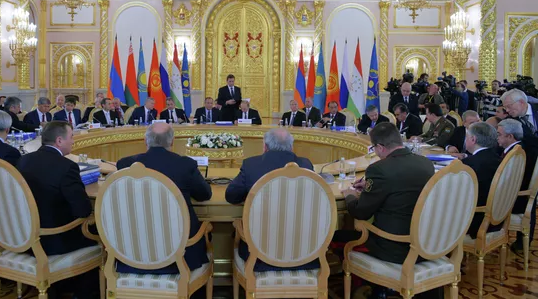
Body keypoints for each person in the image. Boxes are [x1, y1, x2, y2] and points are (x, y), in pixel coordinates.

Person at [116, 123, 212, 274]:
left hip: (133, 255)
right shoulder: (185, 165)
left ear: (145, 141)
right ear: (172, 142)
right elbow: (204, 194)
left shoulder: (125, 164)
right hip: (181, 256)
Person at [336, 122, 435, 265]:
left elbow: (360, 212)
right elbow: (401, 185)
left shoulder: (378, 169)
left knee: (336, 238)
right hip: (425, 245)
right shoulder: (426, 163)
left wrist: (350, 195)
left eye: (374, 148)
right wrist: (371, 186)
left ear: (380, 147)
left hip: (393, 247)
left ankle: (365, 277)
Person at [226, 128, 315, 271]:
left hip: (258, 256)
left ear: (265, 147)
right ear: (291, 147)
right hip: (302, 255)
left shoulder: (251, 165)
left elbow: (231, 196)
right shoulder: (306, 165)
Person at [17, 121, 94, 255]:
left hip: (24, 238)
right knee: (103, 229)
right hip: (55, 240)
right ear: (59, 141)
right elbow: (83, 210)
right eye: (71, 137)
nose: (73, 141)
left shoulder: (23, 160)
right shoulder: (67, 167)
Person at [497, 119, 538, 253]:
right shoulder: (519, 149)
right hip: (515, 198)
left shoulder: (516, 154)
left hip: (513, 202)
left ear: (510, 136)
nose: (496, 137)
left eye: (499, 134)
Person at [462, 122, 502, 238]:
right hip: (497, 218)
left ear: (473, 139)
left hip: (475, 221)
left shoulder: (469, 164)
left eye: (467, 137)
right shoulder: (499, 159)